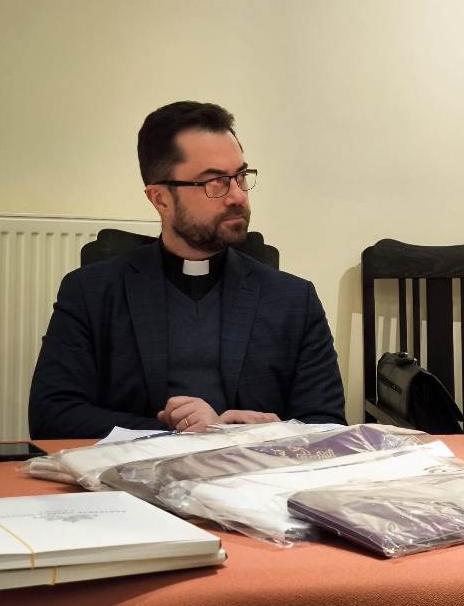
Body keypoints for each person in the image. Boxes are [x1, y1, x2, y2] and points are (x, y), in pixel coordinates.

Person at [29, 101, 346, 438]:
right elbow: (52, 415)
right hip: (132, 470)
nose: (237, 196)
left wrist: (252, 433)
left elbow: (327, 424)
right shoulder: (92, 292)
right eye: (215, 182)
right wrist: (183, 433)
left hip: (253, 469)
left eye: (240, 177)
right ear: (160, 199)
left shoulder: (293, 300)